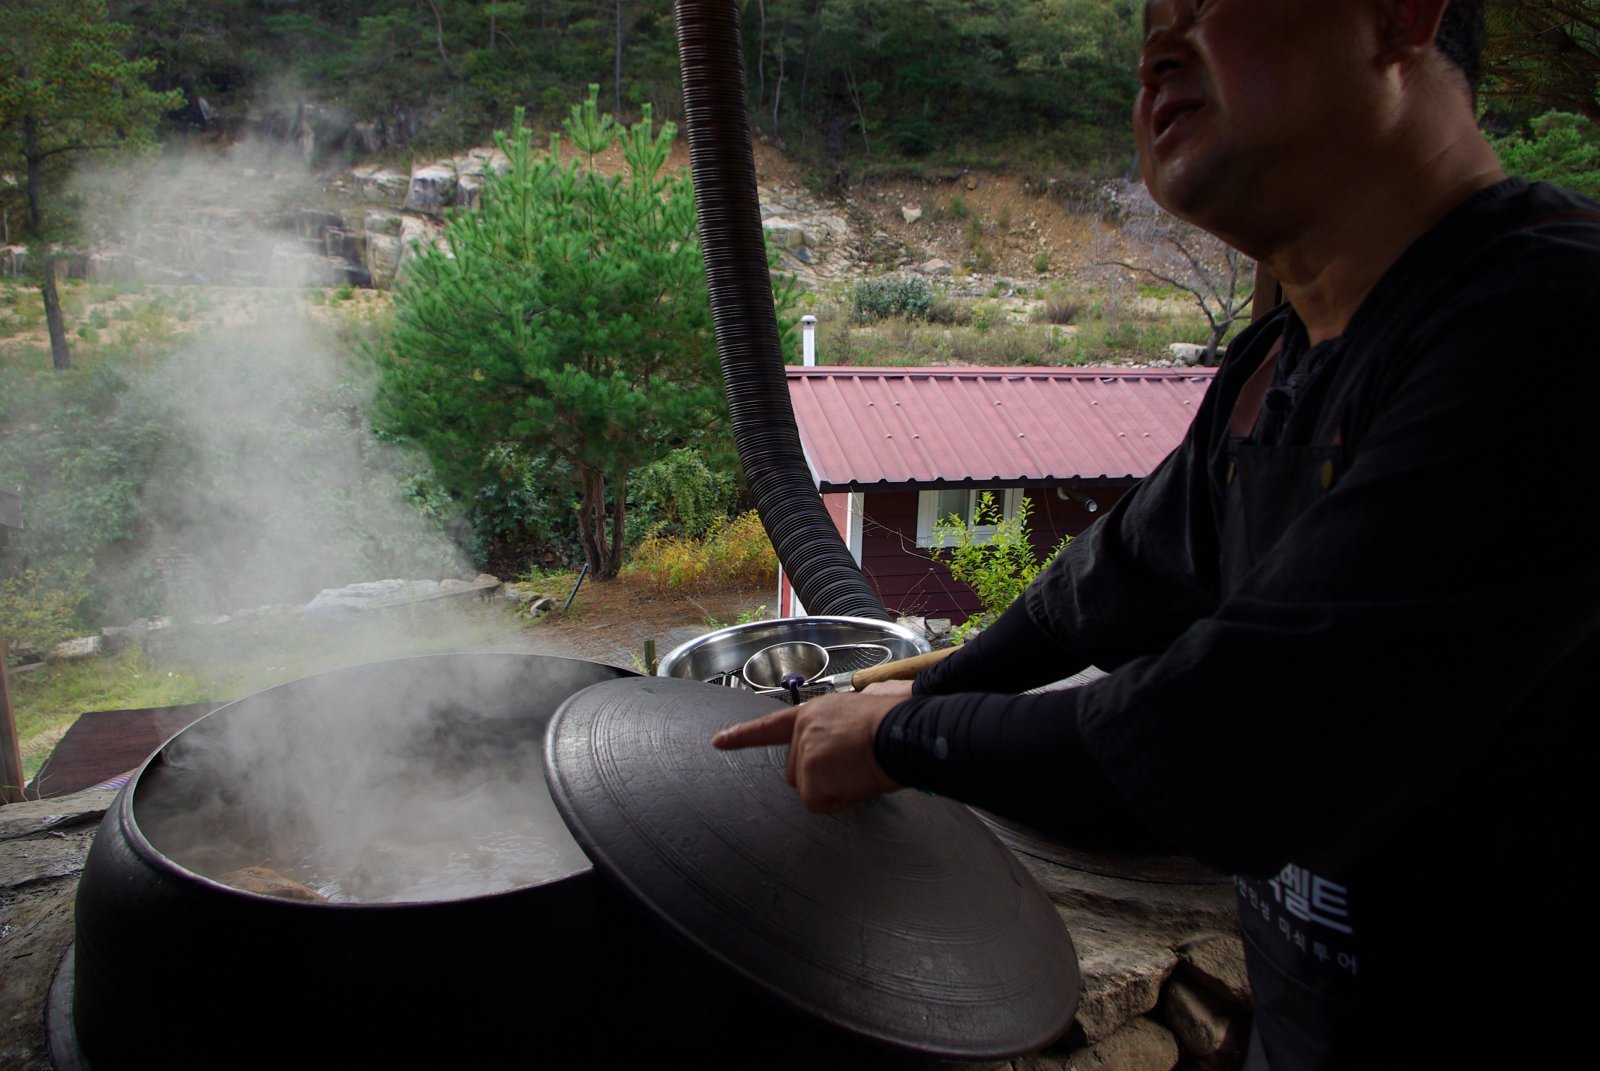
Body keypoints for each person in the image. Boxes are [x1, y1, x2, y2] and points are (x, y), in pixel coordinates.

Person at [713, 0, 1599, 1066]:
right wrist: (918, 693)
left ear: (1397, 18)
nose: (1154, 52)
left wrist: (902, 741)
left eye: (1203, 5)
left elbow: (1236, 738)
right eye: (1148, 22)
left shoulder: (1549, 324)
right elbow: (1100, 583)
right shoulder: (1278, 361)